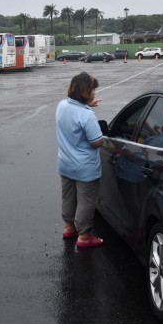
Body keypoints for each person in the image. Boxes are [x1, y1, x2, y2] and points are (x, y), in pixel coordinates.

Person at [55, 72, 105, 248]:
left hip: (65, 164)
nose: (94, 93)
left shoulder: (62, 105)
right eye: (92, 90)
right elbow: (96, 141)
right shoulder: (87, 115)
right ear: (86, 91)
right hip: (85, 168)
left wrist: (86, 105)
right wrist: (104, 137)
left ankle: (69, 227)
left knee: (68, 197)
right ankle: (84, 237)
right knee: (86, 201)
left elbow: (73, 113)